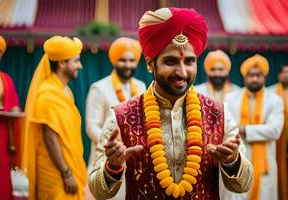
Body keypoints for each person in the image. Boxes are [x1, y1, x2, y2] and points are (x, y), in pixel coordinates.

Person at [88, 7, 253, 200]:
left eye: (189, 61)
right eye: (171, 62)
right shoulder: (121, 116)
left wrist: (233, 161)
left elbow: (244, 185)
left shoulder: (219, 113)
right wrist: (113, 167)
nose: (182, 72)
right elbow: (97, 191)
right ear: (150, 64)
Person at [21, 36, 87, 200]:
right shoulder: (47, 93)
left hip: (70, 166)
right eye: (76, 61)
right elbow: (50, 137)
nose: (80, 65)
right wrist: (66, 173)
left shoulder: (65, 91)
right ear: (62, 63)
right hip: (56, 171)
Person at [86, 37, 145, 199]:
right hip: (106, 156)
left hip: (133, 159)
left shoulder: (141, 87)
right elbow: (92, 126)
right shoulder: (99, 88)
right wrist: (113, 147)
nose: (128, 65)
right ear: (113, 61)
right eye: (122, 60)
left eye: (132, 60)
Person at [225, 54, 284, 200]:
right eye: (251, 75)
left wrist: (244, 129)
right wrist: (258, 130)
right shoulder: (231, 98)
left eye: (258, 75)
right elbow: (227, 127)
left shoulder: (274, 100)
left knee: (264, 194)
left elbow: (275, 131)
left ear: (265, 77)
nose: (255, 79)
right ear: (245, 77)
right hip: (238, 157)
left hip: (265, 162)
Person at [0, 32, 21, 200]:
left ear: (1, 53)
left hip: (4, 134)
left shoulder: (7, 79)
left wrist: (15, 110)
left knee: (2, 174)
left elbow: (14, 104)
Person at [268, 64, 288, 200]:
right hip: (277, 139)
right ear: (279, 75)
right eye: (284, 72)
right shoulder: (270, 92)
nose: (286, 75)